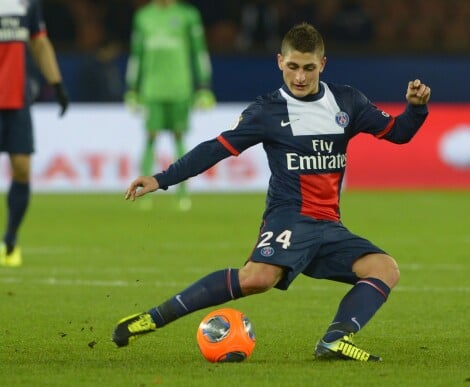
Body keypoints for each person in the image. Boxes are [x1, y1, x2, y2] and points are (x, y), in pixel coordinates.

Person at [112, 22, 431, 361]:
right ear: (280, 61)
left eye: (309, 68)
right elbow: (215, 149)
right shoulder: (266, 111)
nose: (300, 77)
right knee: (258, 278)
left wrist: (416, 108)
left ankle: (335, 340)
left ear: (322, 64)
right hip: (289, 217)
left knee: (384, 268)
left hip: (329, 225)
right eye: (293, 66)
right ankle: (152, 317)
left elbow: (398, 133)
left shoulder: (348, 102)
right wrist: (162, 179)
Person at [124, 0, 216, 211]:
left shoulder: (188, 15)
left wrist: (204, 86)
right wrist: (132, 89)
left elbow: (199, 52)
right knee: (150, 136)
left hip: (179, 88)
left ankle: (183, 193)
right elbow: (136, 55)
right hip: (152, 89)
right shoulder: (143, 17)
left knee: (179, 136)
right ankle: (143, 193)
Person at [0, 0, 69, 267]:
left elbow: (39, 43)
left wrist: (57, 83)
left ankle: (10, 239)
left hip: (17, 99)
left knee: (21, 169)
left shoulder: (27, 3)